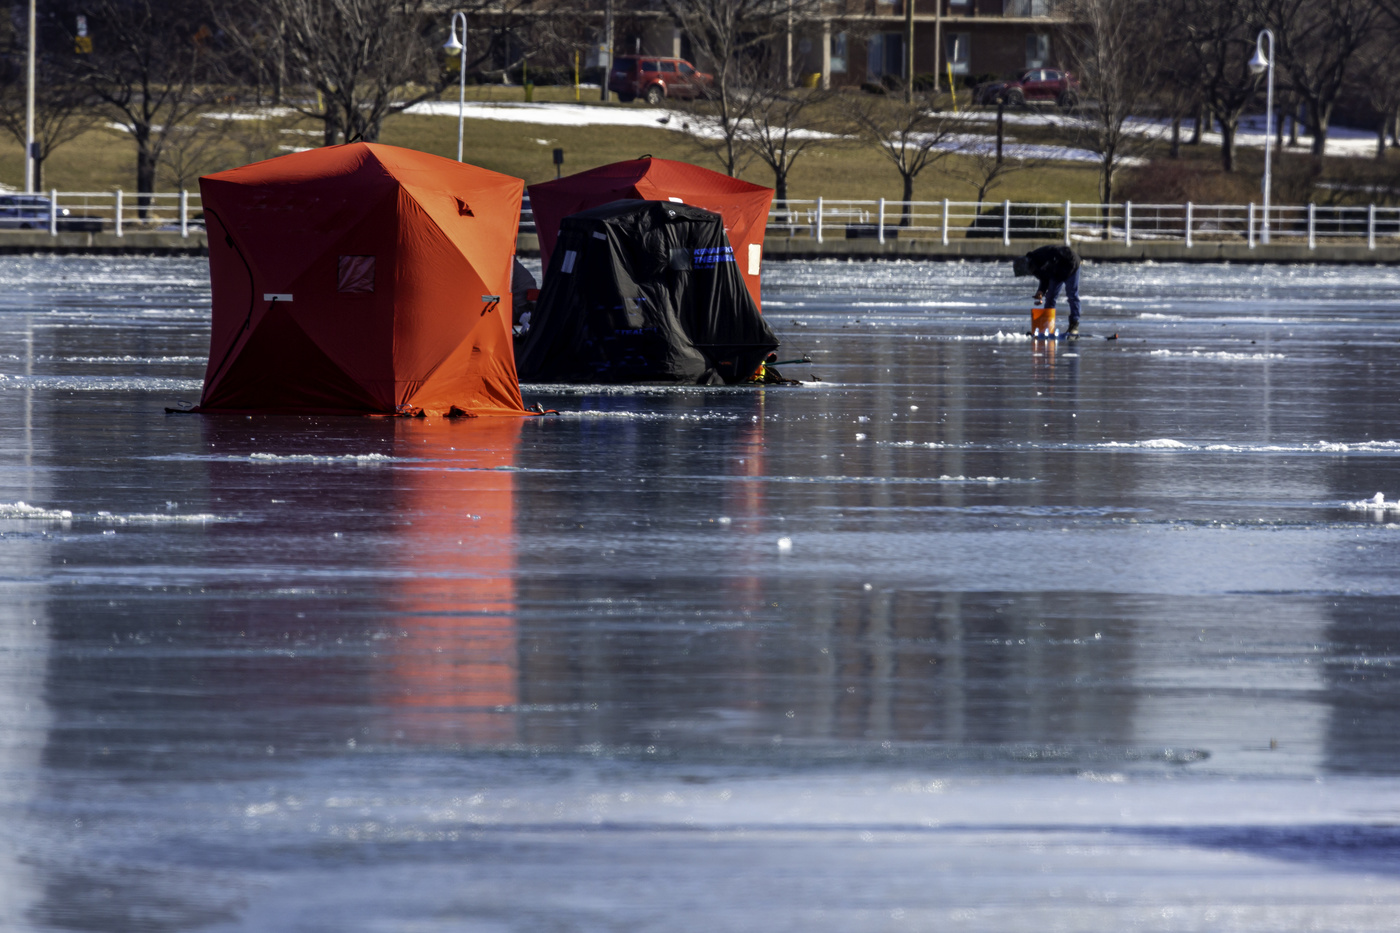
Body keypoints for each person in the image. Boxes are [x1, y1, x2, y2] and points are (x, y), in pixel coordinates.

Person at [1012, 245, 1082, 337]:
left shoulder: (1041, 255)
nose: (1030, 274)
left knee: (1072, 295)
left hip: (1072, 265)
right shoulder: (1035, 268)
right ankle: (1047, 326)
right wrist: (1041, 292)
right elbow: (1044, 278)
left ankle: (1074, 325)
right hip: (1057, 272)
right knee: (1050, 297)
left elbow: (1066, 251)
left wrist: (1064, 274)